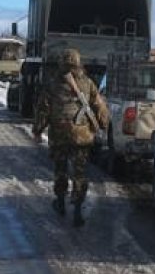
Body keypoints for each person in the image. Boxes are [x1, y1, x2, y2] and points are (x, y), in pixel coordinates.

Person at [32, 49, 109, 227]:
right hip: (81, 136)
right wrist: (103, 126)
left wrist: (37, 130)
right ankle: (77, 210)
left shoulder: (52, 84)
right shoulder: (88, 83)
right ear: (78, 63)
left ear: (61, 64)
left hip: (59, 135)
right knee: (79, 173)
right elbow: (100, 107)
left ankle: (60, 202)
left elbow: (43, 110)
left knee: (60, 170)